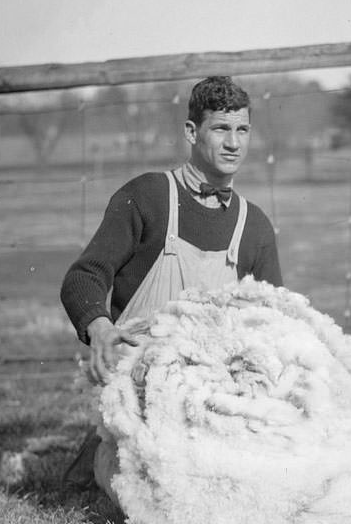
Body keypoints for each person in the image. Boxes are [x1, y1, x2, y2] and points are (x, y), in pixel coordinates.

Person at [60, 75, 283, 490]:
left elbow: (274, 326)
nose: (234, 143)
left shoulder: (254, 226)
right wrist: (100, 327)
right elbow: (83, 277)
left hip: (215, 398)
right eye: (220, 128)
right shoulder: (147, 196)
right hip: (143, 391)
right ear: (191, 132)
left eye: (242, 130)